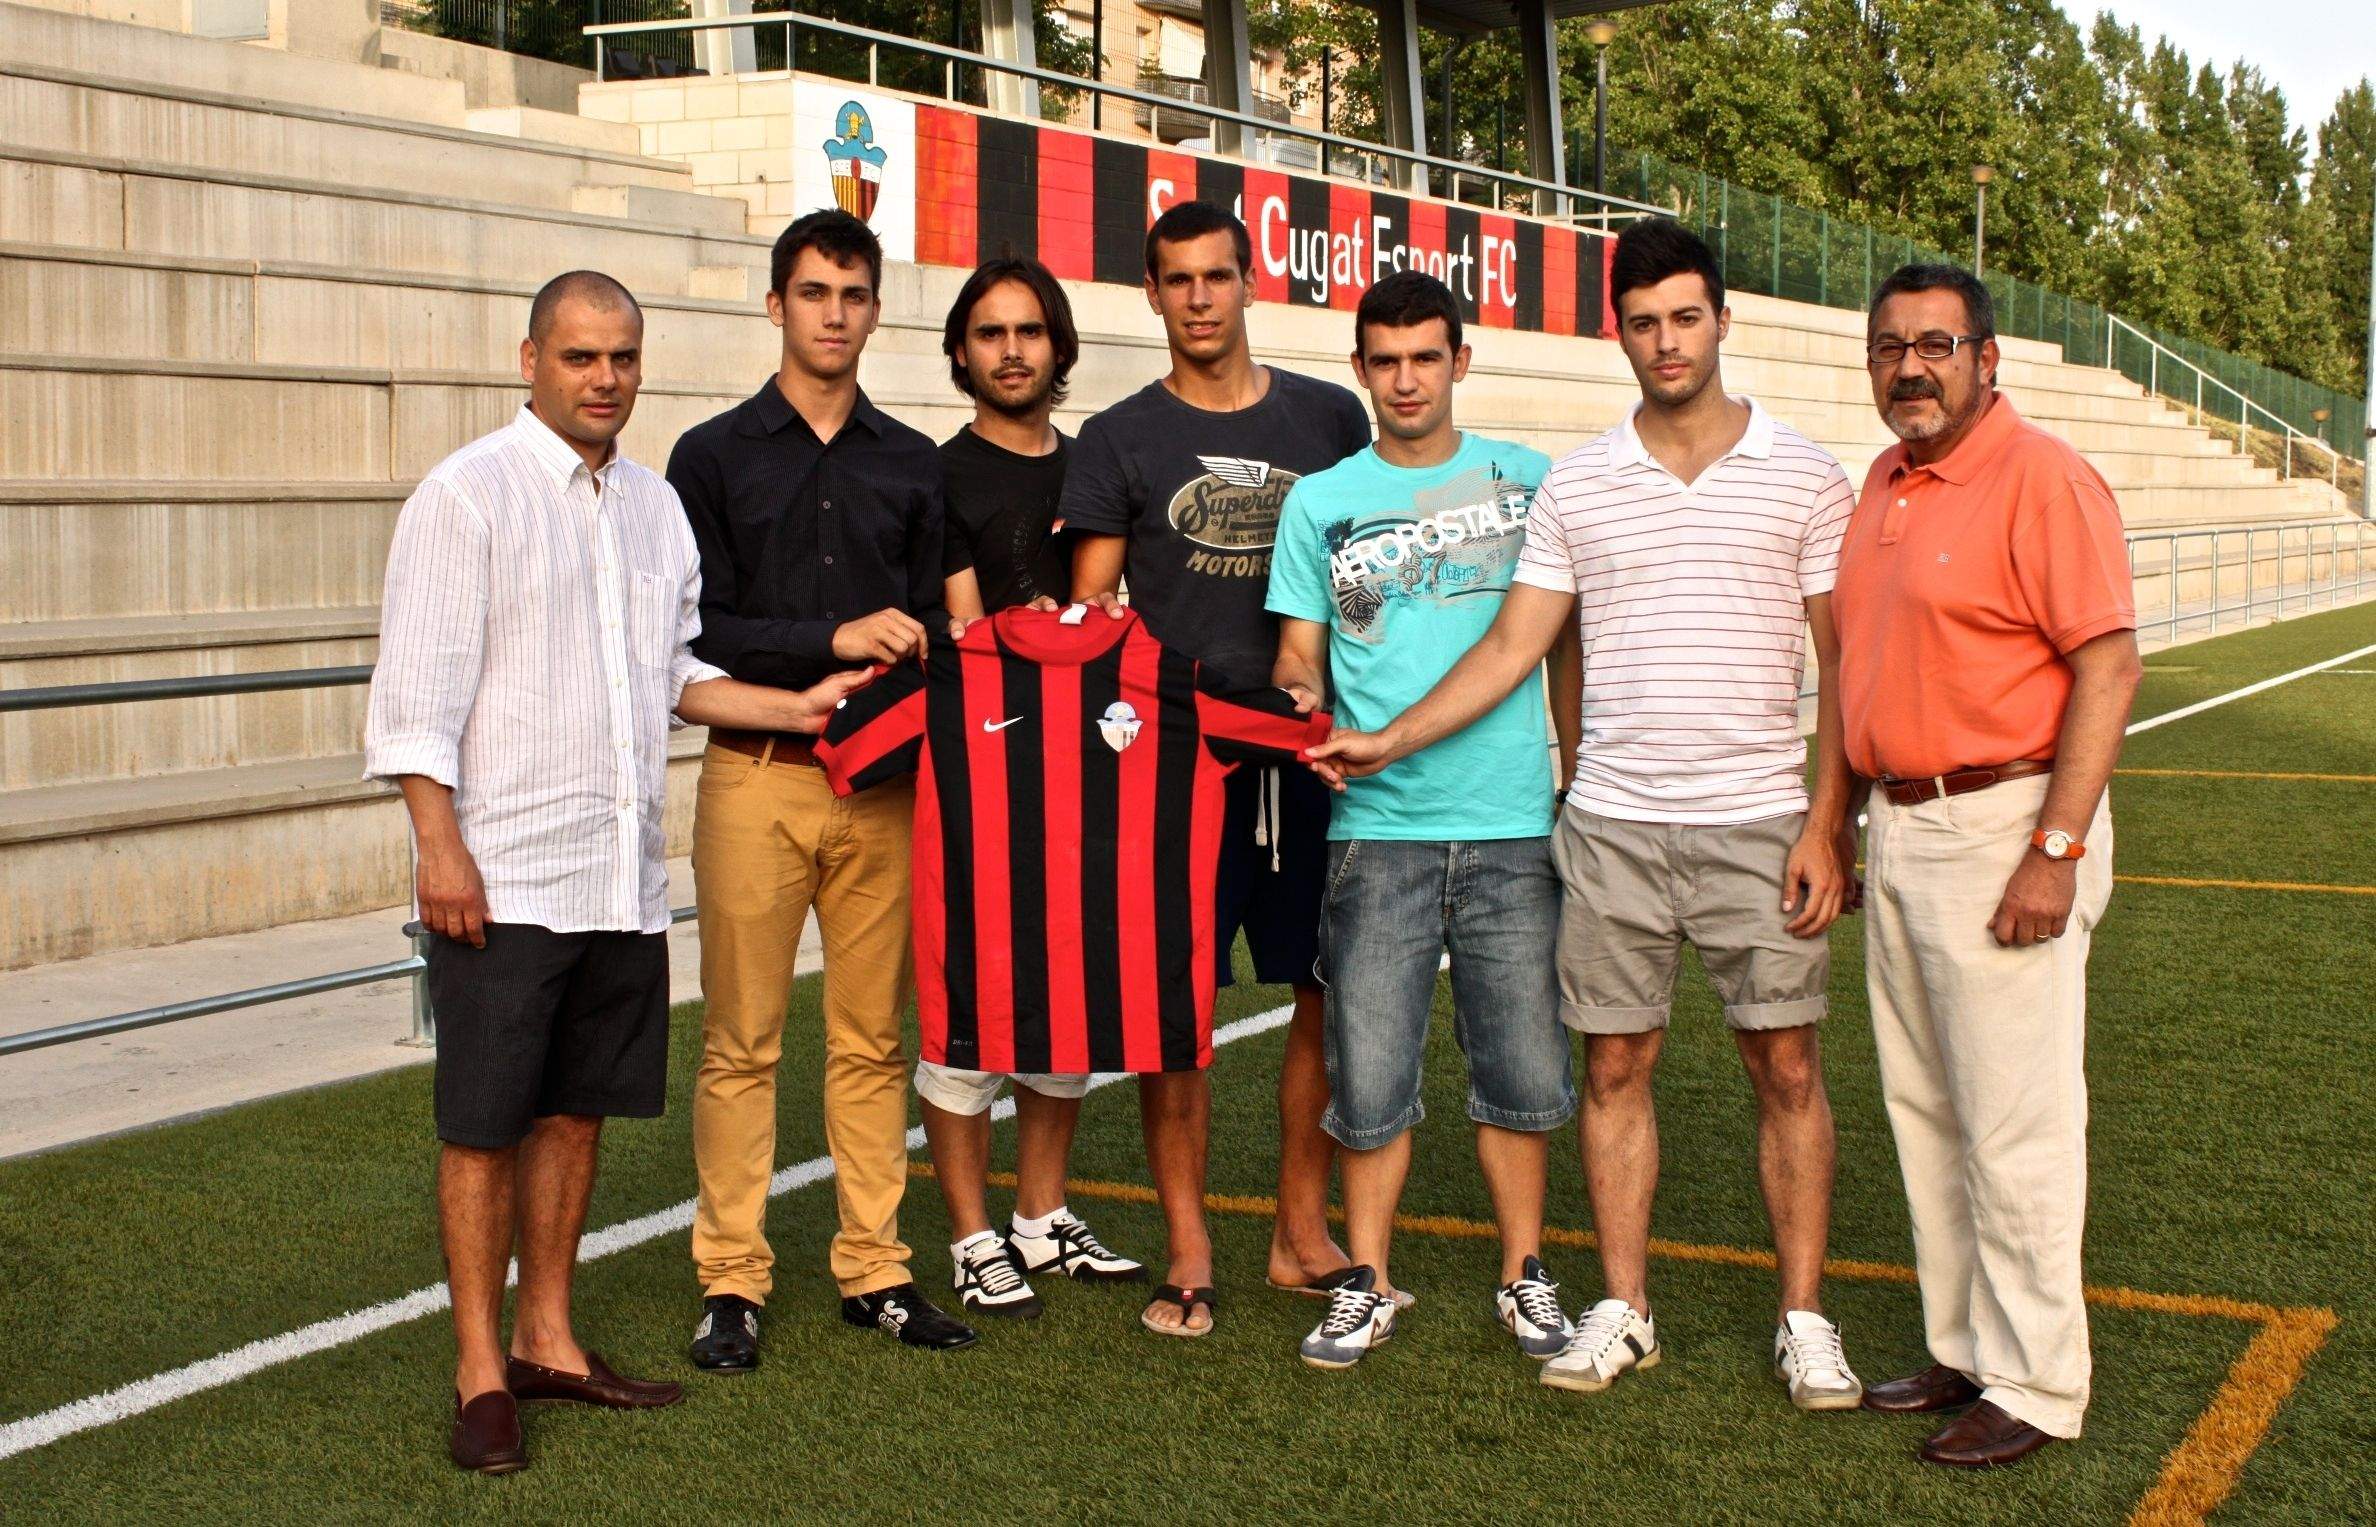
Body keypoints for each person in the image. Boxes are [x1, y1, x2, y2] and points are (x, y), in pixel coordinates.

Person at [1309, 219, 1865, 1408]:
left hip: (1762, 819)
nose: (1667, 341)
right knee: (1613, 1067)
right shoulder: (1581, 483)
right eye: (1644, 321)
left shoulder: (1809, 473)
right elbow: (1517, 642)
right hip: (1612, 821)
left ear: (1724, 320)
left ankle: (1805, 1318)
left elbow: (1846, 661)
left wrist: (1831, 818)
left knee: (1788, 1068)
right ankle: (1623, 1307)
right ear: (1617, 332)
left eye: (1686, 316)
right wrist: (1392, 738)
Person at [367, 271, 865, 1472]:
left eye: (624, 358)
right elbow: (415, 701)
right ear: (528, 357)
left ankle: (549, 1334)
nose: (605, 379)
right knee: (484, 1125)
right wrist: (440, 851)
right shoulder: (464, 497)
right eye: (582, 357)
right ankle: (482, 1369)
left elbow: (675, 673)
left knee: (577, 1111)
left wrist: (795, 709)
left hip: (617, 875)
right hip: (503, 875)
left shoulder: (653, 508)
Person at [1841, 263, 2140, 1468]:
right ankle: (1967, 1344)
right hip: (1904, 827)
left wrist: (2054, 852)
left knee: (2015, 1123)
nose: (1909, 367)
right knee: (1928, 1110)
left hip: (2004, 824)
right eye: (1889, 347)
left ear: (1986, 357)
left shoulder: (2043, 476)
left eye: (1935, 345)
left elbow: (2110, 669)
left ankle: (2039, 1381)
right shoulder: (1884, 480)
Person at [668, 209, 973, 1366]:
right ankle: (732, 1281)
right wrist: (831, 634)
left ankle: (876, 1270)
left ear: (875, 308)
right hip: (756, 778)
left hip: (884, 789)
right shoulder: (710, 455)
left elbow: (942, 628)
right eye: (811, 292)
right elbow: (700, 630)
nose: (832, 313)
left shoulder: (910, 461)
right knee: (740, 1042)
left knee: (871, 1040)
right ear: (776, 305)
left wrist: (931, 647)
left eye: (851, 293)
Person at [1062, 200, 1373, 1337]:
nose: (1198, 297)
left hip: (1311, 749)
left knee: (1324, 992)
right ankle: (1188, 1242)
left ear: (1251, 283)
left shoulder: (1330, 418)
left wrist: (1352, 684)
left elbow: (1369, 565)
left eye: (1216, 276)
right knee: (1173, 1007)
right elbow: (1092, 609)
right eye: (1176, 279)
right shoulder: (1117, 438)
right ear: (1151, 293)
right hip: (1176, 763)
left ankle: (1300, 1228)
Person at [1264, 271, 1577, 1371]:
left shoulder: (1530, 483)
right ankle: (1368, 1280)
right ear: (1360, 370)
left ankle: (1524, 1275)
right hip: (1374, 830)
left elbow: (1558, 646)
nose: (1405, 379)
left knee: (1524, 1069)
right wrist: (1301, 694)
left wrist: (1574, 772)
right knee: (1371, 1073)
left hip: (1508, 824)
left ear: (1460, 361)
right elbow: (1299, 646)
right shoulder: (1320, 502)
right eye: (1384, 361)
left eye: (1424, 358)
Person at [923, 256, 1144, 1320]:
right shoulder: (938, 473)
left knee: (1072, 995)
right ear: (962, 349)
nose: (1011, 350)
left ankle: (1040, 1216)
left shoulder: (1098, 460)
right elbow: (971, 634)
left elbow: (1109, 612)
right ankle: (971, 1233)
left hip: (1089, 768)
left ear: (1058, 345)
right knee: (971, 1002)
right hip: (982, 767)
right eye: (990, 332)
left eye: (1030, 331)